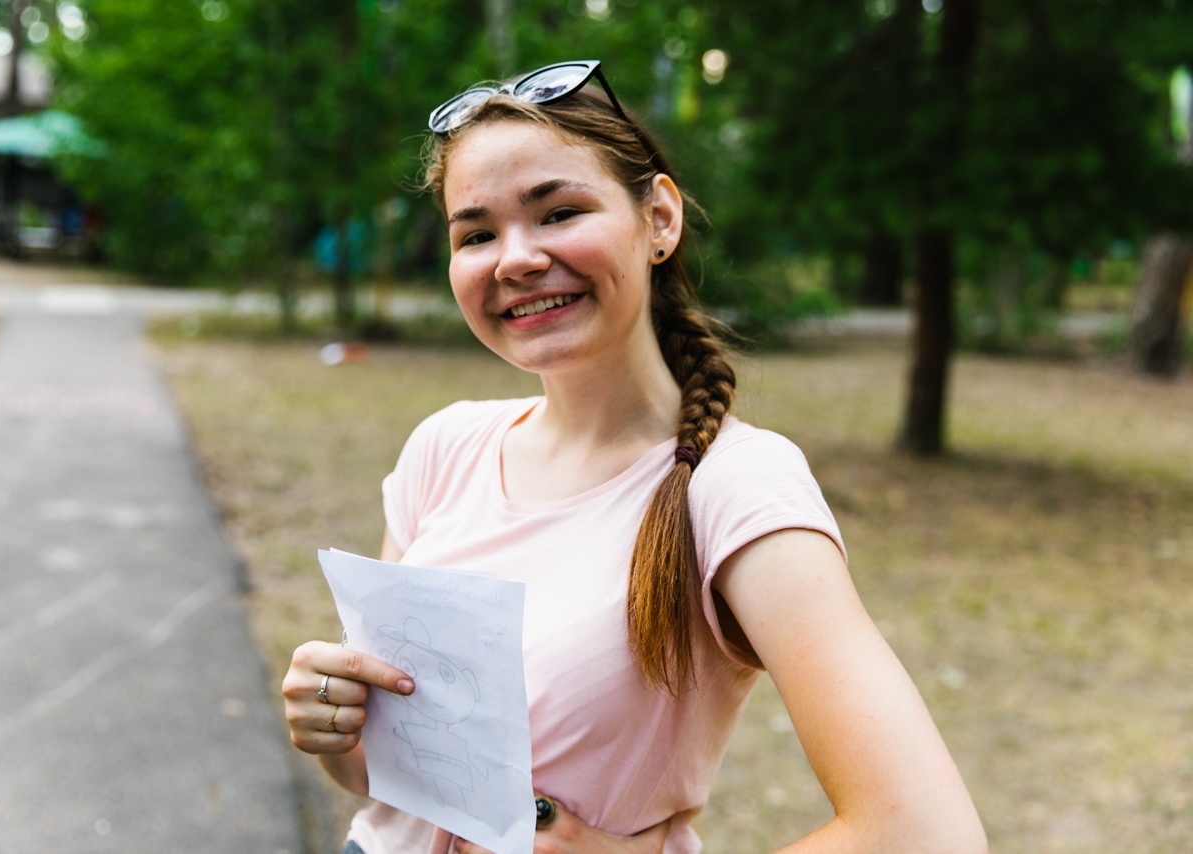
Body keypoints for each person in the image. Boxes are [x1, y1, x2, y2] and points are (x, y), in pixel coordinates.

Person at [282, 60, 987, 854]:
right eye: (476, 233)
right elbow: (396, 784)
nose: (513, 258)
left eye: (558, 212)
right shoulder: (444, 448)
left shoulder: (736, 488)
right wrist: (340, 730)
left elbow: (926, 834)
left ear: (659, 218)